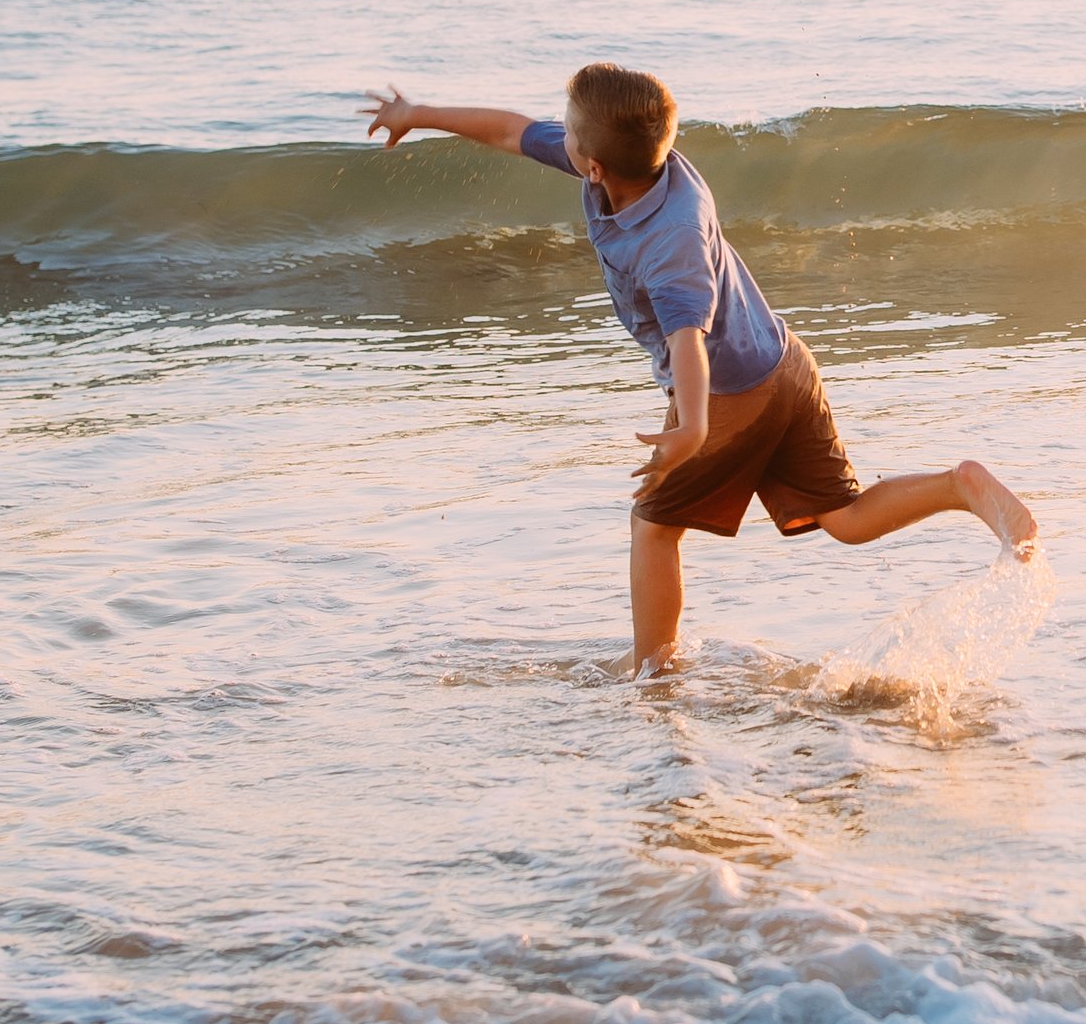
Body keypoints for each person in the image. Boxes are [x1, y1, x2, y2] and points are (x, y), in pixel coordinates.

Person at [360, 63, 1037, 674]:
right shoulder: (646, 167)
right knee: (843, 517)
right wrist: (415, 114)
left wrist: (691, 428)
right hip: (782, 359)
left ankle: (655, 672)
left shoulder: (670, 239)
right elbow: (511, 131)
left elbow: (688, 337)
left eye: (566, 134)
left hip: (727, 393)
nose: (553, 137)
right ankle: (960, 486)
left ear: (593, 166)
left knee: (653, 526)